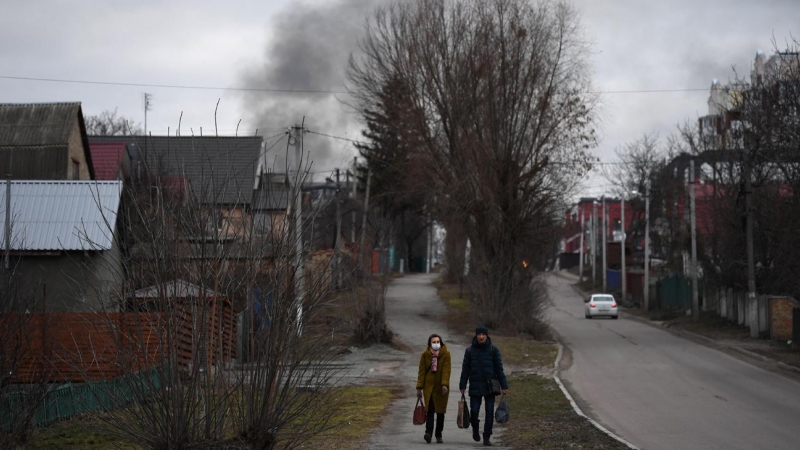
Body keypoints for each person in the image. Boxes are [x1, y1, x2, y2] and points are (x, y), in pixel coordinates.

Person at [459, 326, 508, 447]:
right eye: (479, 334)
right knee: (474, 411)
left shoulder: (493, 350)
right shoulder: (470, 350)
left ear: (487, 336)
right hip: (475, 385)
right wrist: (462, 385)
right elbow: (466, 369)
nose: (481, 337)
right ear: (476, 336)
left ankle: (487, 436)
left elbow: (499, 369)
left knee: (489, 412)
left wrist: (504, 385)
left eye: (483, 334)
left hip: (490, 386)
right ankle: (475, 429)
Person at [416, 333, 451, 444]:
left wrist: (444, 384)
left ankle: (438, 434)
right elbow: (421, 372)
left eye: (437, 342)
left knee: (440, 411)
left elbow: (446, 370)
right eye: (433, 342)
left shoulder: (446, 354)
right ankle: (428, 433)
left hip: (441, 388)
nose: (436, 344)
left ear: (441, 342)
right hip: (429, 387)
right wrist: (419, 387)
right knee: (430, 410)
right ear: (430, 343)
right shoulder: (425, 355)